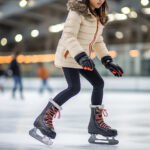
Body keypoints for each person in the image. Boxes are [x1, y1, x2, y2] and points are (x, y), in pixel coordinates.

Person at [29, 0, 123, 145]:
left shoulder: (98, 15)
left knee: (98, 83)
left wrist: (107, 60)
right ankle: (43, 118)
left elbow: (97, 41)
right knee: (74, 87)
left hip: (83, 58)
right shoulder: (76, 12)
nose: (99, 0)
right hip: (69, 55)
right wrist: (80, 56)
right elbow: (68, 36)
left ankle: (95, 125)